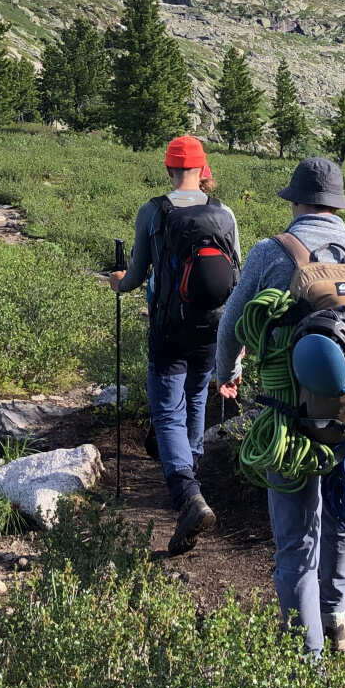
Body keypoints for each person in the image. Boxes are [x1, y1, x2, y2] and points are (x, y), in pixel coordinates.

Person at [215, 157, 345, 658]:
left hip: (287, 426)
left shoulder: (272, 253)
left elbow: (231, 327)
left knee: (295, 542)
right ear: (337, 205)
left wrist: (225, 374)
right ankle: (335, 619)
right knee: (342, 522)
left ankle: (304, 658)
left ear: (295, 201)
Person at [112, 135, 240, 555]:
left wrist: (119, 283)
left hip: (169, 327)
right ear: (203, 171)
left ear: (169, 169)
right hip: (213, 327)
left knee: (167, 410)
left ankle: (187, 495)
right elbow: (234, 278)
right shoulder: (224, 214)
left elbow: (136, 275)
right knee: (196, 396)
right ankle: (193, 474)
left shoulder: (154, 211)